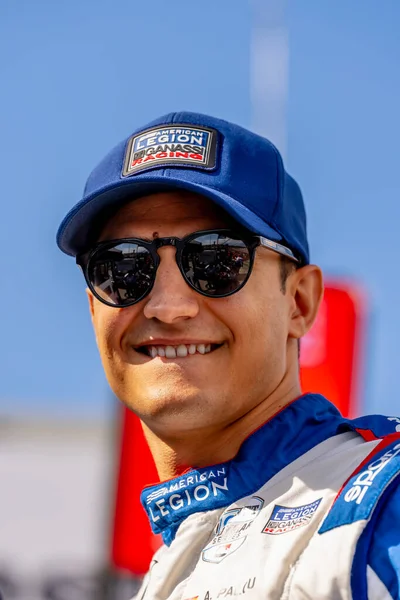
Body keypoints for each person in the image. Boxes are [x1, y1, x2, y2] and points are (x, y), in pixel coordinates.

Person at [57, 112, 400, 599]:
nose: (167, 307)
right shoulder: (168, 575)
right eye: (123, 266)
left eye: (218, 261)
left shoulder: (377, 510)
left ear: (299, 303)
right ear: (95, 308)